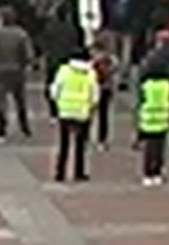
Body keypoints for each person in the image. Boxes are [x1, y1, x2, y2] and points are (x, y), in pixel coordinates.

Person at [50, 47, 99, 182]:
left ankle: (60, 172)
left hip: (65, 111)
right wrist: (92, 106)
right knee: (80, 145)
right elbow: (94, 93)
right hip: (82, 112)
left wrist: (57, 103)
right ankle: (79, 171)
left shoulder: (64, 70)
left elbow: (55, 89)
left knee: (63, 143)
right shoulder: (90, 73)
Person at [0, 7, 34, 141]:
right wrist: (25, 64)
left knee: (0, 101)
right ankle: (25, 127)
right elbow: (29, 54)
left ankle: (1, 129)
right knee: (20, 100)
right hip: (17, 69)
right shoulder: (22, 34)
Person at [136, 60, 169, 186]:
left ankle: (147, 173)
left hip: (148, 118)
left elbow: (141, 101)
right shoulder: (167, 85)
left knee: (149, 148)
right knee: (160, 148)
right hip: (162, 118)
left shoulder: (146, 85)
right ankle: (157, 172)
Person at [89, 39, 119, 148]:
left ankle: (90, 138)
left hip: (96, 89)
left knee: (92, 114)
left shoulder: (93, 61)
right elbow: (115, 68)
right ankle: (102, 139)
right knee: (103, 115)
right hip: (106, 89)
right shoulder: (110, 59)